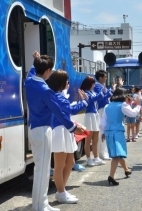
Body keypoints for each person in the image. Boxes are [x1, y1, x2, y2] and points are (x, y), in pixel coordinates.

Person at [24, 52, 84, 211]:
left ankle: (40, 204)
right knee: (43, 171)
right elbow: (58, 112)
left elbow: (32, 71)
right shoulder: (45, 90)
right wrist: (73, 127)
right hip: (43, 130)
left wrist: (35, 61)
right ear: (48, 70)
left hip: (33, 129)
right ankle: (40, 205)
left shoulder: (29, 82)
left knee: (40, 169)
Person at [47, 70, 88, 204]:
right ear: (61, 83)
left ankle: (62, 191)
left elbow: (68, 110)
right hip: (60, 131)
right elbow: (70, 111)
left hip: (65, 130)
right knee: (59, 165)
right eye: (67, 81)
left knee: (70, 162)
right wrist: (84, 102)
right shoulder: (57, 97)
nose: (68, 83)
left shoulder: (58, 96)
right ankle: (60, 192)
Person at [99, 88, 142, 185]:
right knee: (116, 154)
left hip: (108, 131)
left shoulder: (107, 106)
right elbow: (132, 113)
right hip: (117, 131)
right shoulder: (122, 105)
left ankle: (126, 169)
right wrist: (138, 105)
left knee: (118, 153)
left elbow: (103, 122)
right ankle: (111, 176)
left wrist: (102, 132)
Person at [80, 76, 112, 167]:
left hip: (95, 115)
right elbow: (92, 99)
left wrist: (109, 92)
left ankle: (96, 157)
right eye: (93, 83)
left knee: (95, 139)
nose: (94, 85)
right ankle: (89, 159)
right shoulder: (85, 93)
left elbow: (101, 98)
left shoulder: (92, 92)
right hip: (89, 115)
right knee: (88, 139)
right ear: (89, 84)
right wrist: (103, 92)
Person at [94, 70, 111, 160]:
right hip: (101, 109)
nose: (106, 78)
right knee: (102, 130)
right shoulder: (97, 86)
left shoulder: (102, 86)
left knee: (105, 130)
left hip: (104, 109)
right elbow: (101, 99)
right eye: (105, 77)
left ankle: (104, 152)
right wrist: (109, 92)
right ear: (100, 78)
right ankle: (102, 153)